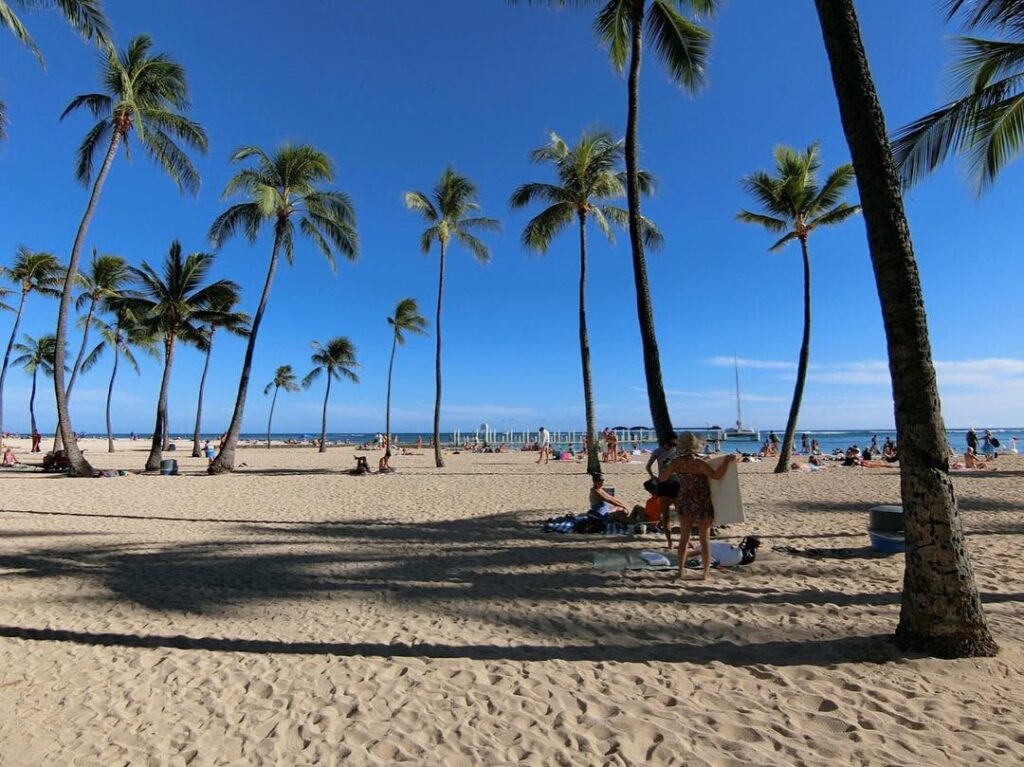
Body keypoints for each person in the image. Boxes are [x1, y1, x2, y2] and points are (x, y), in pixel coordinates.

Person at [664, 432, 739, 581]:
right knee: (704, 540)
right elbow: (716, 476)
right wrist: (726, 461)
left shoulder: (675, 463)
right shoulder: (699, 463)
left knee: (684, 539)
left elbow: (662, 478)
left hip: (685, 501)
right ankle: (705, 573)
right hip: (702, 502)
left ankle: (680, 571)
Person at [646, 436, 678, 548]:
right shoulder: (675, 450)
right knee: (670, 515)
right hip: (670, 482)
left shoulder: (659, 451)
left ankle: (673, 542)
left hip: (667, 481)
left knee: (670, 515)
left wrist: (653, 477)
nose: (670, 446)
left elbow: (648, 467)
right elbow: (648, 466)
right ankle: (672, 542)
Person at [682, 536, 761, 568]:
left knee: (705, 548)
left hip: (733, 558)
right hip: (734, 558)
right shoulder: (751, 557)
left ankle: (686, 555)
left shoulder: (701, 549)